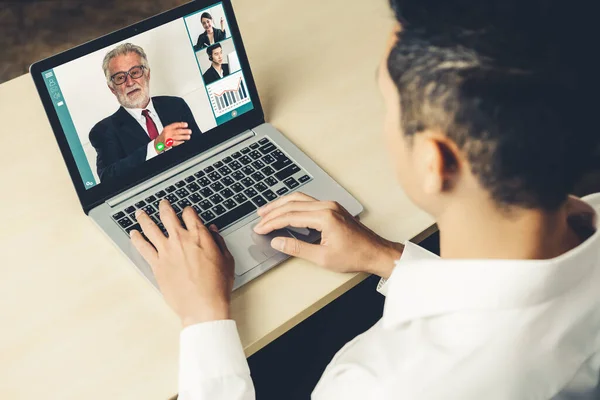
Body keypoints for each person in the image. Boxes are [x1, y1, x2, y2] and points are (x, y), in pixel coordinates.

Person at [130, 0, 600, 398]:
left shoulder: (381, 384)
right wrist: (389, 259)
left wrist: (203, 316)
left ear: (436, 162)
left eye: (389, 104)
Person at [89, 43, 201, 182]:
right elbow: (108, 178)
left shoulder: (176, 105)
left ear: (147, 74)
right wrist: (157, 146)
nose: (130, 82)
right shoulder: (104, 130)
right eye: (120, 78)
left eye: (135, 72)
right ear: (112, 88)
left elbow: (202, 148)